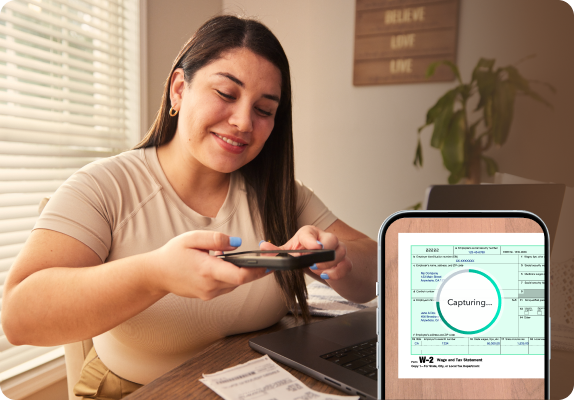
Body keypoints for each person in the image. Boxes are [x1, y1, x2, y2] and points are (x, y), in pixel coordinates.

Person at [1, 15, 376, 399]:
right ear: (179, 89)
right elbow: (18, 317)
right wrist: (155, 274)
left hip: (258, 385)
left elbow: (374, 270)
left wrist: (336, 260)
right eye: (227, 95)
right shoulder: (105, 186)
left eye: (264, 110)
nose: (244, 121)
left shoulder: (279, 194)